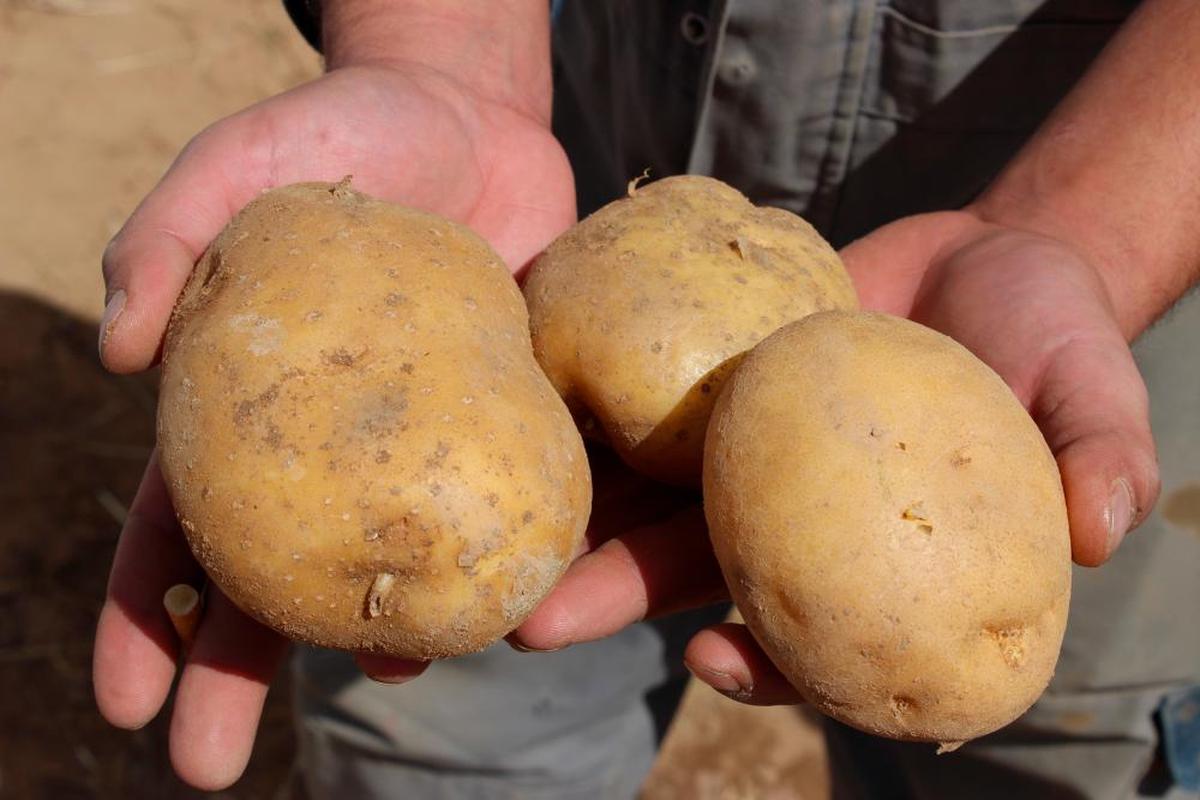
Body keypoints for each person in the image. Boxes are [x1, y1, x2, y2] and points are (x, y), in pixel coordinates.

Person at [93, 1, 1200, 797]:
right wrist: (435, 47)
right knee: (436, 758)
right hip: (552, 176)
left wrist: (1086, 225)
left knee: (1067, 764)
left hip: (1047, 268)